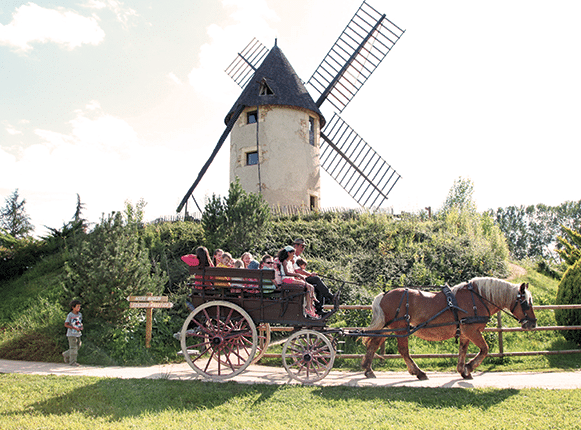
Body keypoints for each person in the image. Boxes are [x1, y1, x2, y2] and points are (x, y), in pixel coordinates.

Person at [292, 238, 335, 315]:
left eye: (304, 247)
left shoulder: (298, 258)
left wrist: (309, 274)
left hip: (302, 278)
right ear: (296, 246)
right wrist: (310, 274)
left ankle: (319, 309)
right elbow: (297, 270)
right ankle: (330, 297)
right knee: (316, 279)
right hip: (297, 279)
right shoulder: (292, 257)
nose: (303, 249)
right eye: (301, 246)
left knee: (318, 285)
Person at [277, 246, 319, 319]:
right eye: (292, 254)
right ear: (288, 253)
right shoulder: (285, 262)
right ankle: (308, 308)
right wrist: (298, 275)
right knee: (308, 286)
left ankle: (311, 304)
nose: (293, 256)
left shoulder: (290, 262)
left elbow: (292, 272)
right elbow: (287, 273)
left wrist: (300, 276)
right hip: (286, 280)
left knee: (310, 286)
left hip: (290, 279)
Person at [62, 300, 83, 366]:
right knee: (73, 348)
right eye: (77, 307)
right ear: (73, 307)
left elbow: (80, 322)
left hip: (78, 333)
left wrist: (81, 326)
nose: (79, 308)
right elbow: (66, 324)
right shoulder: (70, 315)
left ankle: (66, 354)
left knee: (78, 346)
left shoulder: (80, 314)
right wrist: (74, 328)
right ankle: (72, 362)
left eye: (79, 307)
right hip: (71, 334)